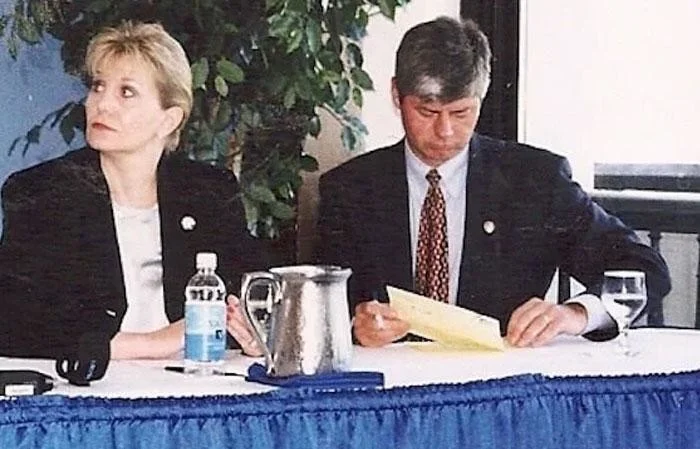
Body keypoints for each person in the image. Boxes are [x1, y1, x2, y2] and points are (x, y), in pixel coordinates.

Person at [316, 16, 671, 348]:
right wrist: (352, 326)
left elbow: (646, 269)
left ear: (481, 98)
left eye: (461, 112)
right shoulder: (349, 190)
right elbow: (318, 307)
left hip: (502, 381)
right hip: (390, 384)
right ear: (397, 96)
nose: (445, 131)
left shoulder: (535, 180)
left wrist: (575, 314)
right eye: (427, 112)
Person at [0, 21, 263, 359]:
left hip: (194, 376)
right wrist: (154, 343)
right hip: (93, 380)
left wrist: (254, 333)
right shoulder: (43, 191)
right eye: (98, 87)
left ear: (169, 120)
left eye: (126, 92)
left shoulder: (208, 191)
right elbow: (14, 323)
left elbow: (249, 294)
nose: (102, 104)